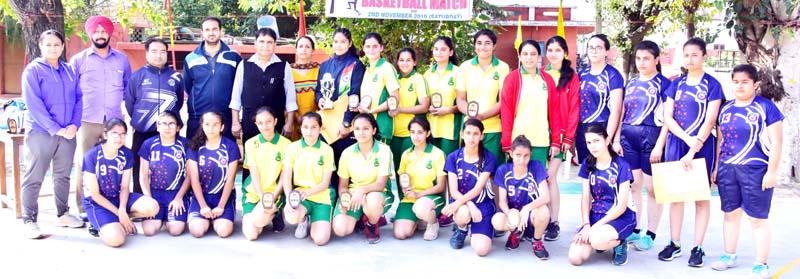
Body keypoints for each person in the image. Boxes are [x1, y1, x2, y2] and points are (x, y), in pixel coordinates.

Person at [710, 64, 783, 279]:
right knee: (730, 215)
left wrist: (772, 172)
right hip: (727, 169)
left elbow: (777, 142)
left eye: (745, 82)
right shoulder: (726, 108)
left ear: (756, 84)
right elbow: (720, 141)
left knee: (757, 219)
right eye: (736, 82)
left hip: (757, 170)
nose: (740, 86)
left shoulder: (766, 108)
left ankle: (761, 263)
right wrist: (716, 167)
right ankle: (728, 256)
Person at [658, 38, 724, 267]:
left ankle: (698, 247)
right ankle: (674, 243)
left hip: (702, 147)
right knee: (675, 198)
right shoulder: (675, 84)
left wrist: (694, 148)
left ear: (704, 56)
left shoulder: (713, 85)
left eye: (695, 55)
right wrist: (685, 140)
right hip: (677, 145)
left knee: (700, 199)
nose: (690, 59)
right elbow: (668, 117)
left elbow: (711, 120)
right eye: (686, 55)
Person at [20, 29, 85, 239]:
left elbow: (78, 98)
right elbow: (34, 104)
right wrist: (56, 129)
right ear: (40, 46)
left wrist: (74, 125)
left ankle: (63, 213)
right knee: (35, 176)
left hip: (69, 132)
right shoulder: (33, 71)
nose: (53, 48)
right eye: (48, 44)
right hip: (42, 132)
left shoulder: (69, 70)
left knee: (63, 175)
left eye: (57, 44)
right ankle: (29, 220)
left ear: (63, 46)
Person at [613, 41, 671, 250]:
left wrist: (659, 146)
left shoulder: (665, 85)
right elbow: (621, 113)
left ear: (656, 59)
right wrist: (617, 138)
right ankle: (635, 229)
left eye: (646, 58)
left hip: (652, 138)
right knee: (634, 186)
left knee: (652, 188)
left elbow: (668, 119)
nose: (642, 62)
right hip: (629, 137)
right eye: (638, 58)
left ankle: (651, 233)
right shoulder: (631, 83)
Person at [70, 15, 132, 212]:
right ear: (90, 34)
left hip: (114, 122)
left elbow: (127, 88)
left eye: (104, 31)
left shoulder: (122, 60)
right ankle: (83, 208)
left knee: (116, 163)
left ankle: (114, 205)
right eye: (96, 31)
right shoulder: (78, 60)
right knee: (84, 163)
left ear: (110, 33)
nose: (100, 34)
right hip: (87, 120)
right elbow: (71, 91)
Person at [81, 119, 159, 247]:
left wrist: (122, 210)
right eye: (115, 134)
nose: (119, 138)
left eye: (123, 134)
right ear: (105, 135)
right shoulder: (92, 156)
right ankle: (99, 225)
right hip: (97, 202)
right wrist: (120, 214)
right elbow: (95, 195)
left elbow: (124, 187)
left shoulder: (126, 154)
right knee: (117, 240)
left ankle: (117, 220)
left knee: (153, 207)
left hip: (117, 197)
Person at [567, 124, 636, 266]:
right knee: (575, 258)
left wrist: (593, 229)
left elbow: (621, 207)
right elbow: (586, 198)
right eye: (589, 142)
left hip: (621, 216)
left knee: (597, 240)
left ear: (606, 140)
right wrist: (586, 225)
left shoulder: (621, 165)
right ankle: (599, 239)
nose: (593, 146)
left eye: (596, 141)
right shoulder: (587, 163)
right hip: (597, 215)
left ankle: (620, 243)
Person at [124, 38, 184, 194]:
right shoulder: (137, 76)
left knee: (169, 167)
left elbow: (179, 103)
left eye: (163, 51)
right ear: (147, 54)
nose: (159, 55)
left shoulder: (176, 77)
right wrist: (143, 121)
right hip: (143, 133)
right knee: (140, 169)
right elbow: (130, 104)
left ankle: (167, 202)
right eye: (154, 51)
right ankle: (140, 203)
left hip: (168, 133)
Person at [332, 113, 395, 244]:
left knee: (372, 201)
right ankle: (362, 217)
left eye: (366, 128)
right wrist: (345, 199)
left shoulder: (384, 150)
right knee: (340, 230)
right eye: (357, 129)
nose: (361, 133)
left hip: (377, 194)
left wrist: (361, 191)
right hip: (354, 196)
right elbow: (343, 186)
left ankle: (372, 224)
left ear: (374, 130)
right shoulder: (347, 153)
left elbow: (381, 184)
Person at [541, 35, 580, 241]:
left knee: (550, 177)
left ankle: (553, 222)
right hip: (539, 132)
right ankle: (540, 219)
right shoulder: (539, 74)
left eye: (558, 50)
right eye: (550, 50)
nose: (553, 54)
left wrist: (568, 138)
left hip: (561, 135)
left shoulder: (571, 77)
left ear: (565, 53)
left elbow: (574, 109)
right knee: (540, 178)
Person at [315, 28, 364, 190]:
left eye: (343, 41)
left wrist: (347, 122)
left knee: (343, 167)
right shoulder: (325, 65)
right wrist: (319, 99)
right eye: (336, 41)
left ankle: (344, 206)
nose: (339, 45)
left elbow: (355, 94)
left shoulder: (355, 65)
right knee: (326, 166)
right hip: (325, 124)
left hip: (345, 124)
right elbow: (318, 90)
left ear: (349, 43)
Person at [230, 27, 297, 142]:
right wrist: (235, 122)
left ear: (275, 44)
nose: (265, 46)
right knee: (252, 158)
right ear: (255, 44)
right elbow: (236, 97)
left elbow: (290, 98)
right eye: (262, 42)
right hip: (251, 124)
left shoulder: (283, 66)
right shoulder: (244, 65)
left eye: (269, 42)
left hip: (276, 124)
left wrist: (289, 123)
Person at [443, 119, 498, 257]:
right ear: (462, 134)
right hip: (461, 202)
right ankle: (462, 229)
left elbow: (478, 189)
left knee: (481, 250)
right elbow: (453, 191)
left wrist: (473, 206)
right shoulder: (453, 157)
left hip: (483, 204)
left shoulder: (489, 158)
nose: (471, 138)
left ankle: (481, 228)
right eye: (468, 133)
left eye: (475, 134)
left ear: (481, 136)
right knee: (462, 212)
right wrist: (469, 205)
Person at [500, 39, 558, 167]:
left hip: (541, 140)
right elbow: (506, 113)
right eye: (525, 54)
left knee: (539, 181)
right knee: (517, 181)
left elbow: (554, 112)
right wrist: (507, 143)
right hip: (518, 141)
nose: (529, 58)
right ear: (519, 56)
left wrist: (555, 142)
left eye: (533, 54)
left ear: (539, 56)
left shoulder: (547, 79)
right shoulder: (512, 79)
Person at [491, 135, 551, 260]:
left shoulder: (536, 167)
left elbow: (546, 197)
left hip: (531, 214)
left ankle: (537, 240)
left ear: (530, 155)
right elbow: (502, 201)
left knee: (544, 210)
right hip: (514, 212)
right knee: (497, 220)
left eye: (526, 156)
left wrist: (526, 209)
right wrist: (510, 214)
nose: (522, 160)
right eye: (518, 155)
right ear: (511, 154)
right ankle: (516, 233)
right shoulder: (503, 170)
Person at [455, 29, 509, 164]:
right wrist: (471, 114)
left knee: (494, 172)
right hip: (470, 129)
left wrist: (483, 116)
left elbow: (503, 100)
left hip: (493, 129)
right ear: (474, 45)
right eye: (479, 43)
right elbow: (460, 99)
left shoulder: (502, 68)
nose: (483, 47)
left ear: (494, 46)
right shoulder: (465, 67)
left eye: (487, 43)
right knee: (469, 169)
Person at [282, 112, 336, 245]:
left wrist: (308, 193)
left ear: (320, 128)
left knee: (320, 239)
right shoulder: (292, 148)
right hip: (300, 195)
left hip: (322, 196)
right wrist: (289, 198)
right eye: (305, 127)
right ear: (300, 128)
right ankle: (302, 220)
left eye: (314, 127)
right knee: (291, 216)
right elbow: (286, 177)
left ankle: (317, 220)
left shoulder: (327, 150)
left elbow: (325, 183)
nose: (309, 131)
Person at [424, 35, 462, 227]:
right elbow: (423, 100)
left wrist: (449, 109)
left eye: (443, 49)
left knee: (450, 171)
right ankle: (437, 210)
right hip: (431, 128)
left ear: (451, 52)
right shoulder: (427, 74)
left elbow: (463, 102)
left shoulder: (457, 72)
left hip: (450, 129)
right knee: (435, 172)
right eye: (436, 49)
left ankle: (452, 209)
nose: (439, 52)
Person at [184, 16, 242, 140]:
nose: (211, 33)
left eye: (215, 29)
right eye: (207, 30)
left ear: (221, 31)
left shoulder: (233, 56)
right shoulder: (191, 58)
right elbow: (188, 86)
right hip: (197, 116)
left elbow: (238, 86)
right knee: (194, 155)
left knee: (224, 155)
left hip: (225, 116)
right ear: (202, 33)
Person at [186, 112, 240, 238]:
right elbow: (194, 179)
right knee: (197, 231)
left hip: (222, 196)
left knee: (224, 231)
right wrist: (203, 206)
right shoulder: (195, 147)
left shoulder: (230, 146)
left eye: (215, 125)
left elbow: (230, 180)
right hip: (201, 197)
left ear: (222, 127)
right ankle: (206, 218)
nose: (211, 129)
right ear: (202, 126)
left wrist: (221, 206)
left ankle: (218, 217)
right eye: (207, 124)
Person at [240, 107, 291, 241]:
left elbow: (284, 177)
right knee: (251, 235)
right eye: (260, 123)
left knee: (258, 219)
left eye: (268, 121)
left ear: (275, 121)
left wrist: (272, 197)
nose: (265, 126)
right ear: (256, 124)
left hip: (275, 193)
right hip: (254, 193)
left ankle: (275, 213)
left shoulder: (287, 145)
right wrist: (262, 197)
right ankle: (265, 215)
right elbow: (254, 173)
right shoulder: (250, 144)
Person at [393, 117, 446, 241]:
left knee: (421, 207)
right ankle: (419, 219)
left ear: (427, 133)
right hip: (410, 198)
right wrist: (406, 188)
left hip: (431, 198)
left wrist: (419, 194)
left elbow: (441, 186)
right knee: (401, 233)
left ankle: (432, 223)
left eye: (420, 132)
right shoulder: (406, 154)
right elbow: (402, 178)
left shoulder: (437, 154)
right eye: (412, 132)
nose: (415, 136)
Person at [139, 111, 191, 236]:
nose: (167, 127)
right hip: (155, 194)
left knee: (175, 230)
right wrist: (149, 198)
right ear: (158, 126)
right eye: (164, 124)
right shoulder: (149, 144)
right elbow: (143, 176)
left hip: (176, 193)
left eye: (172, 124)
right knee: (149, 231)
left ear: (178, 127)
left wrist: (179, 198)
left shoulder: (185, 144)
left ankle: (169, 217)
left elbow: (190, 176)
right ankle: (162, 216)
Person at [577, 34, 624, 164]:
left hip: (603, 129)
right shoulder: (582, 74)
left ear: (606, 51)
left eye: (598, 47)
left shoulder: (613, 75)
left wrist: (607, 138)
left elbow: (616, 110)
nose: (594, 51)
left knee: (604, 172)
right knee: (586, 171)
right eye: (591, 47)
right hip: (583, 131)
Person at [391, 48, 430, 169]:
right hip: (394, 133)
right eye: (401, 60)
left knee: (411, 169)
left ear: (414, 62)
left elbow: (424, 106)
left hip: (412, 133)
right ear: (397, 62)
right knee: (398, 170)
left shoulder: (419, 79)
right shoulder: (394, 79)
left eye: (408, 60)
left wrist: (401, 110)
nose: (404, 63)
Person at [357, 32, 400, 143]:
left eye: (375, 46)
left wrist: (371, 111)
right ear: (363, 48)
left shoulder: (387, 68)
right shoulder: (367, 70)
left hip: (381, 127)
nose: (371, 50)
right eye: (368, 46)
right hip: (367, 126)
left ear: (381, 48)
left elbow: (394, 99)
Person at [290, 36, 320, 140]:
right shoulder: (288, 70)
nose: (303, 49)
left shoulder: (320, 70)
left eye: (307, 47)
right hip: (293, 121)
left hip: (316, 121)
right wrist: (296, 117)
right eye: (301, 46)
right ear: (296, 50)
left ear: (313, 50)